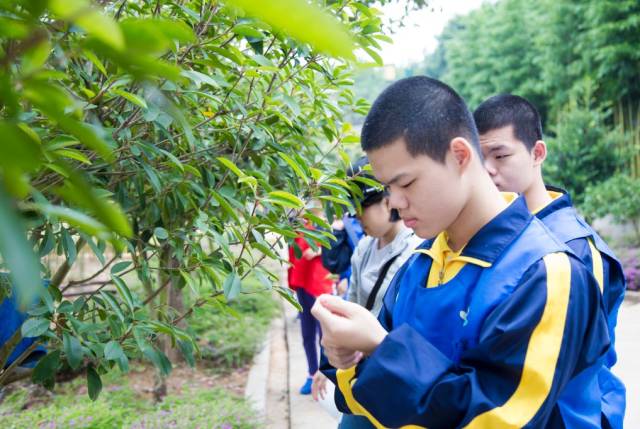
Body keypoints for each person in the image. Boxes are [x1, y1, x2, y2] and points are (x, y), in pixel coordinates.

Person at [311, 76, 609, 428]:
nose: (395, 202)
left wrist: (381, 350)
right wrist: (346, 356)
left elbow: (495, 418)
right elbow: (361, 396)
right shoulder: (420, 263)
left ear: (460, 156)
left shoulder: (548, 274)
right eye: (387, 187)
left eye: (406, 183)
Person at [474, 93, 626, 429]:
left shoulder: (577, 249)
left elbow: (569, 363)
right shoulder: (493, 236)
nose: (488, 170)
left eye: (500, 155)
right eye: (479, 158)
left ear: (537, 153)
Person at [312, 157, 422, 429]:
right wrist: (330, 364)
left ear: (388, 200)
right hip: (360, 369)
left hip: (392, 368)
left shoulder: (416, 251)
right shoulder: (364, 248)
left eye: (362, 207)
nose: (357, 217)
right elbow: (352, 305)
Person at [287, 206, 334, 395]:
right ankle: (311, 372)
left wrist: (319, 250)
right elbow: (292, 256)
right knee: (307, 333)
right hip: (302, 285)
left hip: (319, 286)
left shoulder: (324, 227)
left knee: (325, 334)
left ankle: (326, 374)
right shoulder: (297, 228)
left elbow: (336, 250)